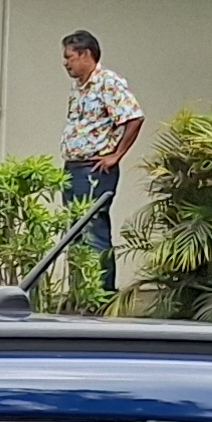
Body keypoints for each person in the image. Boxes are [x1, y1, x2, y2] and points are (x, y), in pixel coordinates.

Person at [58, 30, 145, 296]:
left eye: (69, 57)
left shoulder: (108, 82)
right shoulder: (79, 87)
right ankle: (80, 293)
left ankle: (102, 295)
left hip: (95, 169)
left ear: (86, 54)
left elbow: (134, 117)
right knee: (75, 232)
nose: (65, 63)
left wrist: (116, 155)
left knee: (93, 229)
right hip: (73, 168)